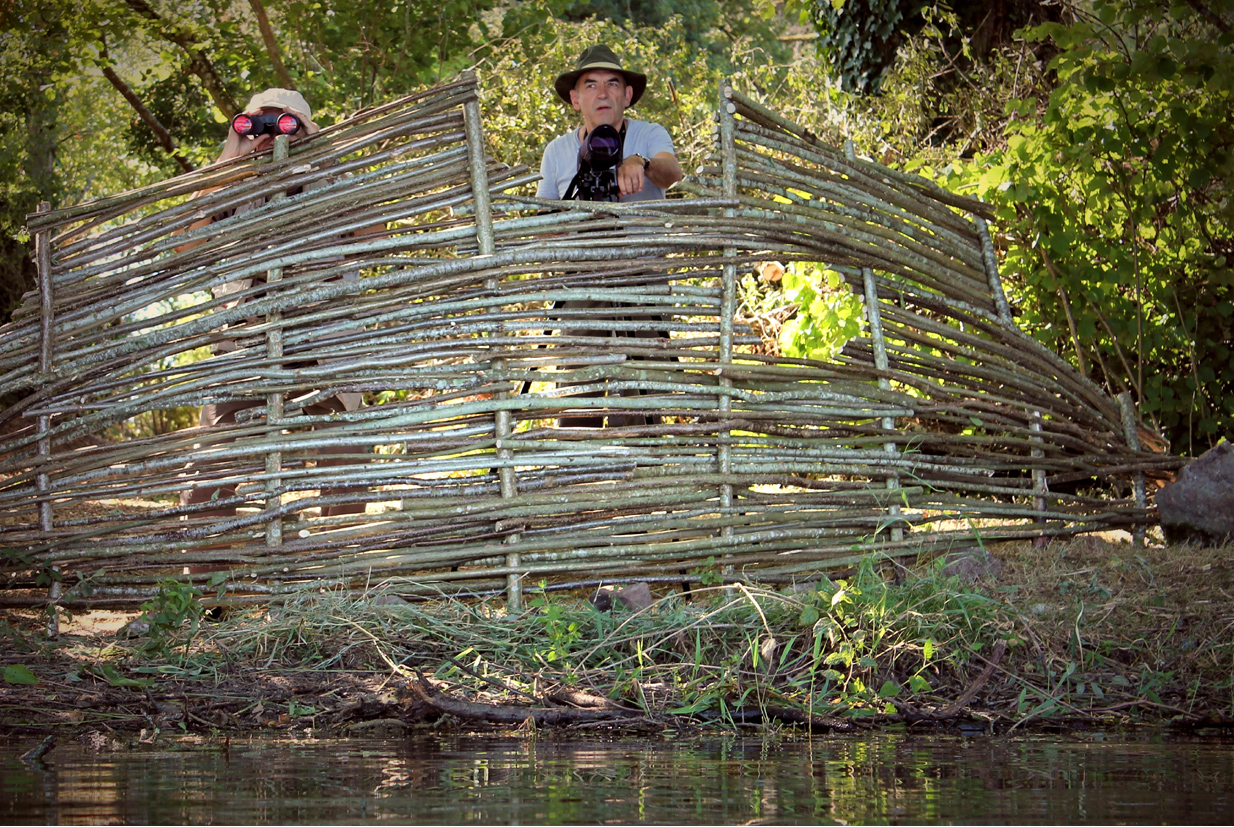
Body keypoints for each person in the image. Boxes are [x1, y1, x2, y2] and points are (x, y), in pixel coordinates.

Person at [177, 88, 378, 520]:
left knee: (341, 449)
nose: (270, 133)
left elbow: (375, 238)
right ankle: (208, 560)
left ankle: (341, 562)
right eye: (259, 123)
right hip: (245, 337)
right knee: (217, 455)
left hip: (322, 336)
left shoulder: (328, 178)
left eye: (284, 123)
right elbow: (184, 242)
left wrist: (323, 158)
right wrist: (232, 155)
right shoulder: (231, 187)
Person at [537, 45, 684, 202]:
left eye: (612, 84)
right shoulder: (556, 150)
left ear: (627, 95)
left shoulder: (649, 134)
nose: (602, 94)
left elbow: (675, 176)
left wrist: (641, 162)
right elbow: (544, 213)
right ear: (575, 99)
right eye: (591, 85)